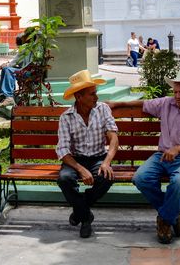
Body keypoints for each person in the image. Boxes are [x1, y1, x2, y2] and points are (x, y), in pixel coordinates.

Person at [105, 69, 180, 244]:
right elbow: (143, 103)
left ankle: (164, 220)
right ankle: (173, 214)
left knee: (179, 183)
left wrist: (179, 149)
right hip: (162, 156)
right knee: (141, 178)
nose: (178, 96)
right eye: (176, 92)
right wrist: (117, 104)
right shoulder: (166, 103)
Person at [57, 70, 119, 239]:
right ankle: (86, 217)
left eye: (95, 93)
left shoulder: (103, 109)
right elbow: (63, 151)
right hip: (75, 160)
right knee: (64, 178)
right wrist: (80, 169)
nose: (96, 97)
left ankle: (79, 211)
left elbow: (113, 138)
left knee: (107, 177)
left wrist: (106, 162)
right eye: (92, 94)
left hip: (98, 157)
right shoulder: (66, 117)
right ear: (79, 97)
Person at [0, 33, 32, 106]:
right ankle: (4, 95)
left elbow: (14, 62)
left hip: (29, 72)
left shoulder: (25, 48)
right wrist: (2, 66)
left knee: (8, 69)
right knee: (6, 69)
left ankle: (8, 96)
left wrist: (2, 66)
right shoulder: (27, 48)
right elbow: (15, 60)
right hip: (25, 70)